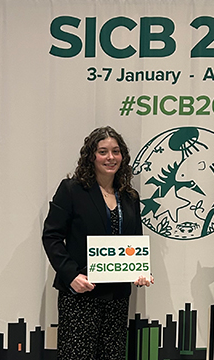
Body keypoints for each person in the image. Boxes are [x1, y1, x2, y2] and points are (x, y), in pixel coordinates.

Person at [42, 126, 152, 360]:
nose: (110, 157)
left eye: (116, 151)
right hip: (81, 294)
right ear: (91, 156)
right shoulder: (71, 190)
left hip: (117, 297)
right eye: (103, 151)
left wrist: (142, 271)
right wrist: (71, 275)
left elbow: (136, 243)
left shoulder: (130, 197)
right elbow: (51, 236)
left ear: (123, 156)